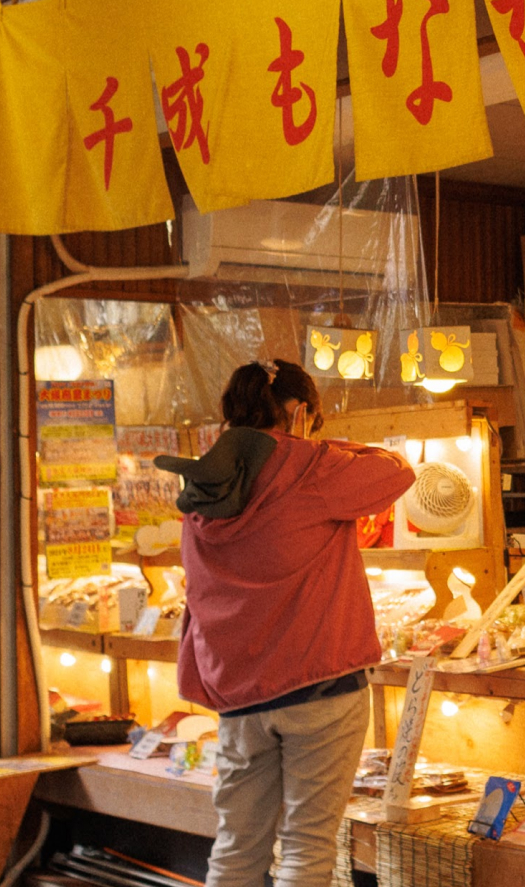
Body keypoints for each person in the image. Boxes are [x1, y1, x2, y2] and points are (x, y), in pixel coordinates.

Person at [159, 360, 413, 887]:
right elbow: (397, 470)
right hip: (319, 687)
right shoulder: (309, 468)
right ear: (299, 413)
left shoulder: (203, 486)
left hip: (237, 696)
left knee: (235, 849)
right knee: (307, 848)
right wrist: (315, 444)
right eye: (313, 420)